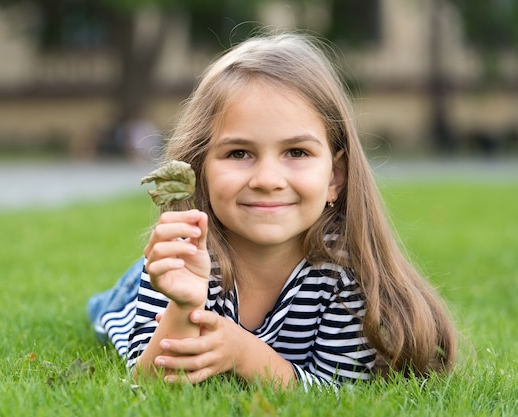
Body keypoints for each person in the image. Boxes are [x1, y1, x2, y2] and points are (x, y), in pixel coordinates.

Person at [87, 31, 457, 389]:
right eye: (239, 153)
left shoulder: (345, 274)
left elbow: (338, 388)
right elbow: (150, 384)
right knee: (113, 305)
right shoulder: (183, 254)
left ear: (335, 176)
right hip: (142, 286)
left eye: (296, 152)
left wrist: (246, 355)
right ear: (201, 171)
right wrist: (184, 304)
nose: (267, 179)